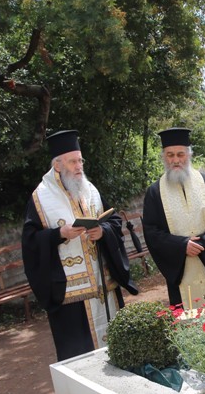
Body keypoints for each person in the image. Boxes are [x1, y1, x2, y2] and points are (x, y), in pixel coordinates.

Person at [22, 130, 137, 360]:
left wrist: (102, 232)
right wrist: (59, 234)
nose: (79, 166)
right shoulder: (40, 197)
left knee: (117, 352)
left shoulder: (90, 189)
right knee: (82, 359)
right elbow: (30, 244)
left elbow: (113, 221)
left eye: (80, 160)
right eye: (73, 161)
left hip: (104, 286)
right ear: (57, 164)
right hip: (71, 295)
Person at [142, 128, 205, 310]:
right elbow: (152, 233)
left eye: (180, 154)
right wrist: (181, 245)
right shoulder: (154, 193)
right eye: (170, 155)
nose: (175, 160)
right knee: (189, 324)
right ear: (164, 157)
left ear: (189, 154)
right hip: (181, 273)